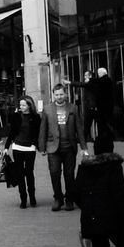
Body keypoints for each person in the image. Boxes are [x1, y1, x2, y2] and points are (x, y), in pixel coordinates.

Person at [38, 82, 87, 211]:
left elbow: (79, 129)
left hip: (69, 147)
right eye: (57, 94)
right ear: (53, 95)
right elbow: (43, 129)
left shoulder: (73, 108)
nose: (59, 96)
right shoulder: (47, 109)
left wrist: (84, 148)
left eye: (61, 94)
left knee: (69, 174)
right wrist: (42, 147)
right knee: (54, 173)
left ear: (65, 94)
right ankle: (58, 198)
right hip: (52, 147)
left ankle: (69, 199)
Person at [3, 96, 41, 208]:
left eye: (24, 105)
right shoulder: (16, 116)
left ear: (29, 105)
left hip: (30, 148)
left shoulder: (36, 117)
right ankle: (23, 199)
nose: (21, 107)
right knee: (20, 174)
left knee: (29, 172)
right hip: (17, 147)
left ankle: (32, 197)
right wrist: (6, 147)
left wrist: (38, 146)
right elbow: (12, 132)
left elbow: (38, 133)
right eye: (20, 105)